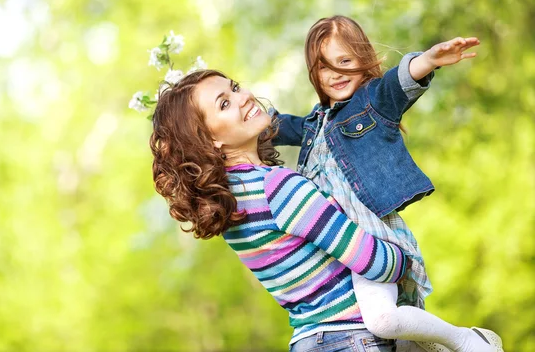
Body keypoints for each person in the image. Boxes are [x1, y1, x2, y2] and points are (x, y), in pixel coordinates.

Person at [149, 69, 501, 351]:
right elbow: (372, 263)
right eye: (224, 103)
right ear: (209, 139)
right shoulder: (277, 187)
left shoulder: (228, 209)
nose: (243, 98)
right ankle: (466, 341)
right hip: (351, 337)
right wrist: (402, 258)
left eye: (235, 87)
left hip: (307, 340)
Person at [272, 15, 502, 352]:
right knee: (395, 337)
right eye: (324, 67)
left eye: (345, 62)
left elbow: (398, 84)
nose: (335, 73)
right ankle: (429, 346)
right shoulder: (313, 124)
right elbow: (273, 126)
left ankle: (467, 339)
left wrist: (429, 60)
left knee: (381, 320)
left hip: (371, 239)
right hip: (336, 248)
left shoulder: (371, 103)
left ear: (362, 61)